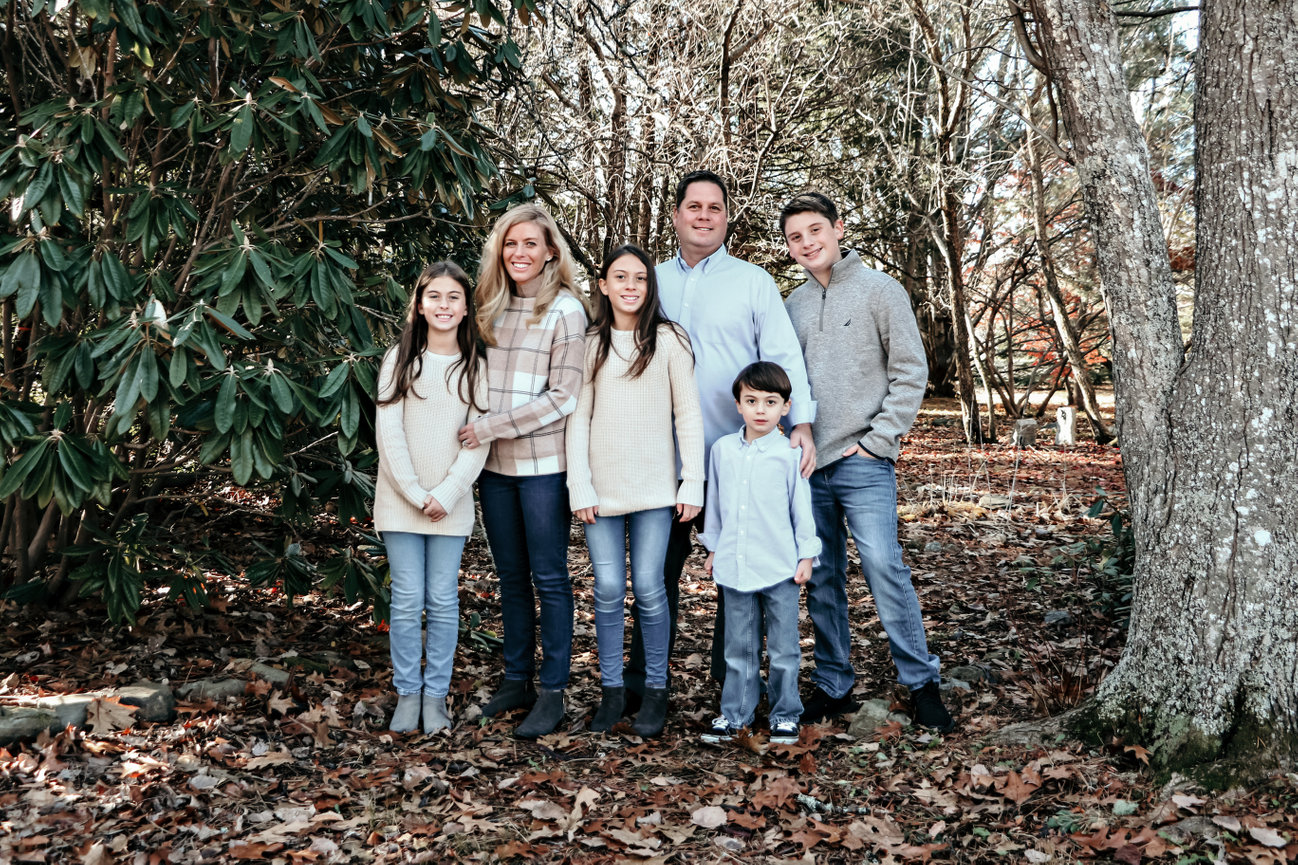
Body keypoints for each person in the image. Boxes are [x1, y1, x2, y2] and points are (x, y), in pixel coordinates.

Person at [624, 170, 817, 707]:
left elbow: (781, 356)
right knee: (656, 575)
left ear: (727, 217)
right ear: (676, 214)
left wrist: (800, 422)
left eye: (714, 207)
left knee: (739, 572)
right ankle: (645, 683)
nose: (704, 215)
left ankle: (732, 685)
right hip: (663, 458)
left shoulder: (753, 282)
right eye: (694, 206)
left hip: (736, 456)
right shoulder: (649, 281)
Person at [781, 191, 954, 732]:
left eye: (815, 230)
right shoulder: (792, 305)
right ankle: (834, 683)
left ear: (837, 228)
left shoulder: (881, 289)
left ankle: (922, 683)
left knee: (883, 564)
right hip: (809, 464)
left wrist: (879, 440)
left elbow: (910, 371)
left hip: (863, 458)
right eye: (795, 237)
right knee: (822, 574)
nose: (807, 242)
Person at [457, 204, 589, 739]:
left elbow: (563, 396)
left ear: (551, 251)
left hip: (543, 467)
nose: (519, 253)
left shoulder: (566, 310)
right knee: (510, 577)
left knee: (550, 578)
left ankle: (553, 691)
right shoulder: (489, 306)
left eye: (531, 243)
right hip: (493, 467)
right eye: (510, 244)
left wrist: (490, 426)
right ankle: (517, 680)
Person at [566, 244, 705, 738]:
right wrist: (579, 483)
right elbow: (577, 418)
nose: (631, 286)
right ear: (603, 286)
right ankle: (611, 691)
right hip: (600, 491)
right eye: (620, 277)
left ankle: (655, 691)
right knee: (606, 589)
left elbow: (688, 414)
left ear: (650, 286)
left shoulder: (669, 339)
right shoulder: (589, 344)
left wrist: (693, 480)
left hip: (656, 491)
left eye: (640, 278)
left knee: (649, 587)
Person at [374, 261, 490, 735]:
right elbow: (389, 433)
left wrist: (446, 492)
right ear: (420, 306)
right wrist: (415, 493)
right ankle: (407, 693)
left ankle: (435, 695)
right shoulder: (400, 359)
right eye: (434, 297)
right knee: (406, 599)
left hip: (450, 505)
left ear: (465, 308)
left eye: (453, 298)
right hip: (400, 502)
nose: (444, 305)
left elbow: (479, 438)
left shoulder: (476, 366)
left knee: (442, 599)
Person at [698, 362, 820, 745]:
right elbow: (715, 505)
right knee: (739, 647)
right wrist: (714, 547)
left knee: (783, 648)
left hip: (781, 566)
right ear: (738, 405)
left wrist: (806, 556)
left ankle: (785, 714)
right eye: (751, 401)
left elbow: (802, 509)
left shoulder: (789, 454)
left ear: (786, 407)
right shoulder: (722, 451)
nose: (761, 410)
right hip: (736, 564)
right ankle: (736, 714)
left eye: (771, 401)